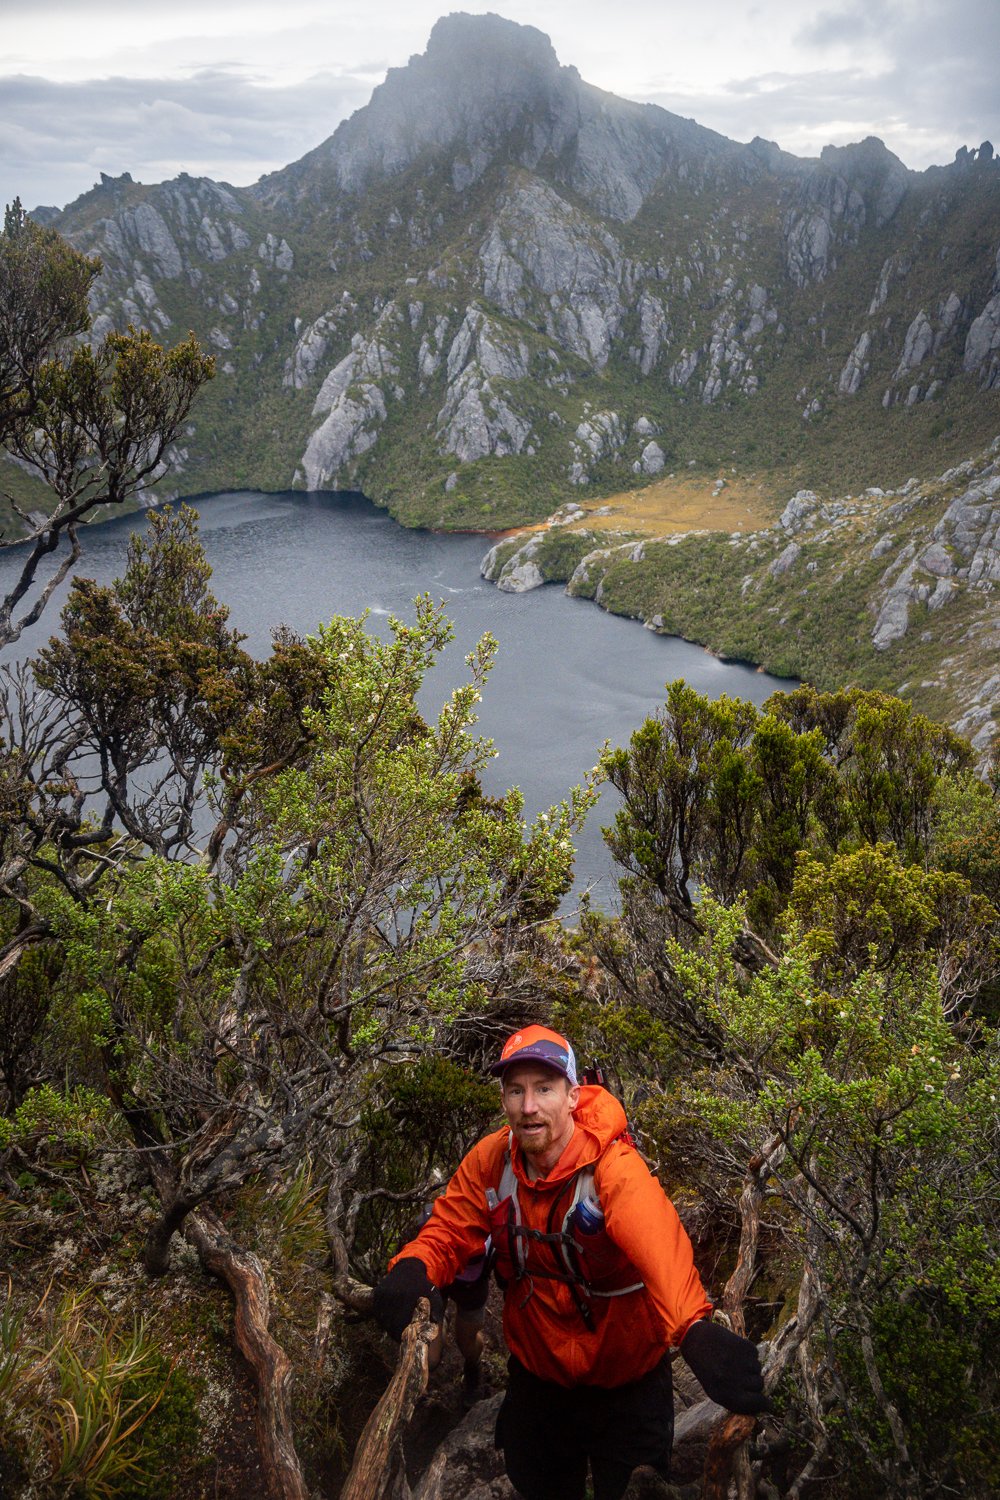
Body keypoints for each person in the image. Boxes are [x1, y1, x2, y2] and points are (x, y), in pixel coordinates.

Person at [374, 1025, 769, 1500]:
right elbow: (450, 1227)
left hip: (626, 1378)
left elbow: (659, 1246)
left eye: (544, 1089)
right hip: (539, 1379)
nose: (528, 1106)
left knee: (630, 1487)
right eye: (515, 1090)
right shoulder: (492, 1160)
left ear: (572, 1096)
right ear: (503, 1098)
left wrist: (693, 1330)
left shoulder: (612, 1168)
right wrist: (414, 1267)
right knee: (539, 1483)